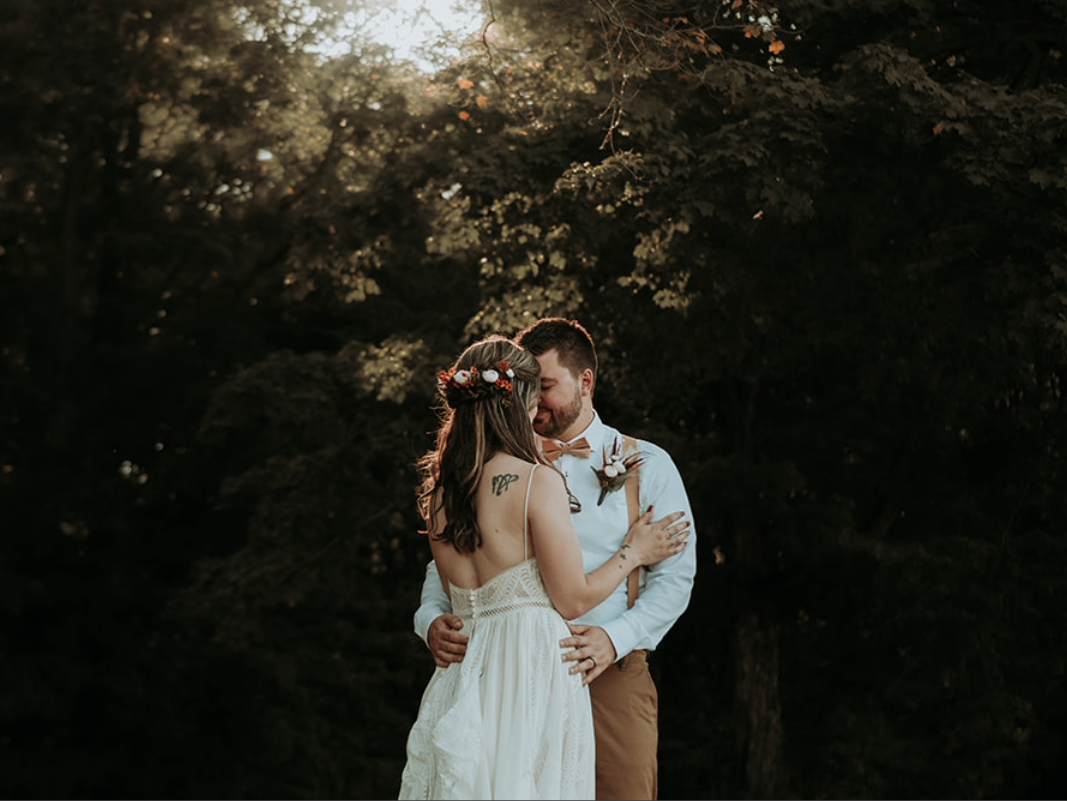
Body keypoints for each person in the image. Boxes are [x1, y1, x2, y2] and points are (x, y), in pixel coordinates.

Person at [415, 319, 697, 800]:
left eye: (545, 386)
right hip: (504, 675)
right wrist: (430, 620)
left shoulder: (645, 464)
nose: (536, 400)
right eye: (529, 388)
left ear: (585, 382)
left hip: (609, 675)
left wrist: (615, 638)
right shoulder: (511, 473)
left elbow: (676, 578)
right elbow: (445, 576)